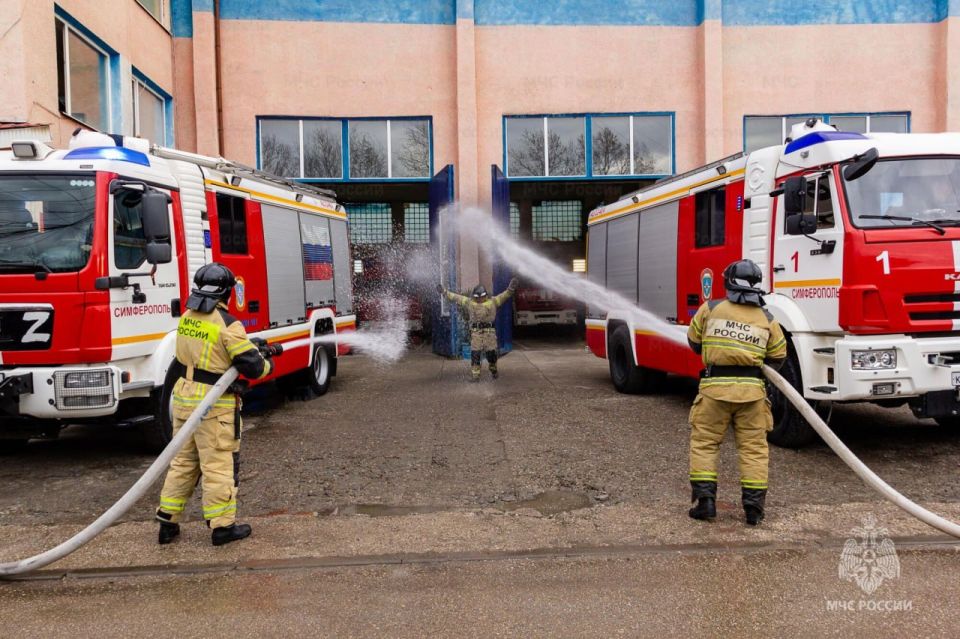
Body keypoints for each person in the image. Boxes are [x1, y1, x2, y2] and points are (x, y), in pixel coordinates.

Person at [155, 263, 274, 546]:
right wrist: (267, 360)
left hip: (184, 397)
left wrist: (247, 345)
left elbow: (212, 350)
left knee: (183, 462)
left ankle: (166, 523)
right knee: (219, 464)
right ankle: (223, 527)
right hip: (214, 404)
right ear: (227, 292)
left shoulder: (187, 317)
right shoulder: (228, 323)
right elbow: (254, 367)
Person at [686, 259, 787, 526]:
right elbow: (778, 355)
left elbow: (694, 342)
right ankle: (754, 510)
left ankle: (705, 503)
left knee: (705, 444)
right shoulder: (767, 318)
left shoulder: (710, 308)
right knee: (754, 450)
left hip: (713, 392)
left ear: (728, 281)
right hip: (752, 395)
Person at [438, 277, 518, 381]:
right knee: (475, 354)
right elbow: (456, 297)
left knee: (491, 355)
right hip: (476, 333)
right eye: (478, 298)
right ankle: (475, 376)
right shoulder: (469, 302)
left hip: (489, 334)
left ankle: (493, 369)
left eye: (482, 297)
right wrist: (444, 292)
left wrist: (511, 288)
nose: (480, 299)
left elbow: (504, 296)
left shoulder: (493, 301)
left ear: (485, 295)